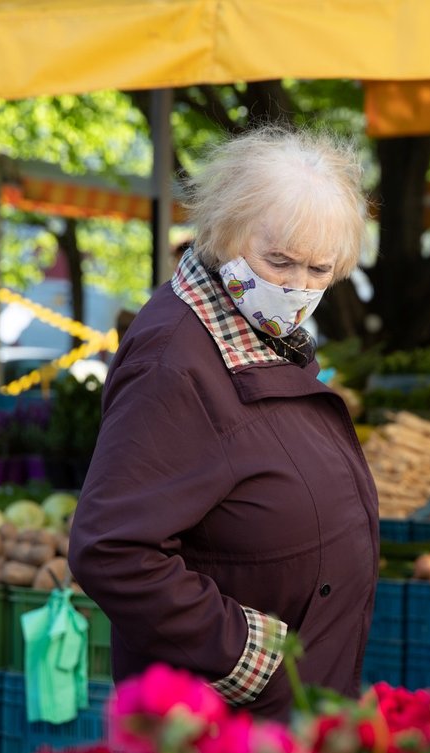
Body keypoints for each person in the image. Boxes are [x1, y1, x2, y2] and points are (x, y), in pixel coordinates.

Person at [67, 126, 378, 719]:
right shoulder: (175, 360)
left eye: (319, 270)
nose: (295, 288)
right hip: (218, 724)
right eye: (279, 260)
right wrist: (249, 656)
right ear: (223, 232)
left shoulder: (255, 326)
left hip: (293, 708)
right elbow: (112, 549)